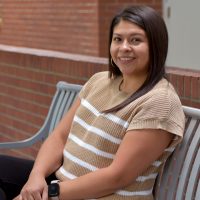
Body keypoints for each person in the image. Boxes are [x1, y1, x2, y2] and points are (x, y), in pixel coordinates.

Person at [0, 5, 185, 200]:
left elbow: (117, 177)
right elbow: (60, 136)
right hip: (63, 182)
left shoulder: (160, 102)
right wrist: (35, 178)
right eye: (117, 39)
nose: (124, 47)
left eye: (135, 40)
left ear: (156, 45)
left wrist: (49, 193)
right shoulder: (100, 81)